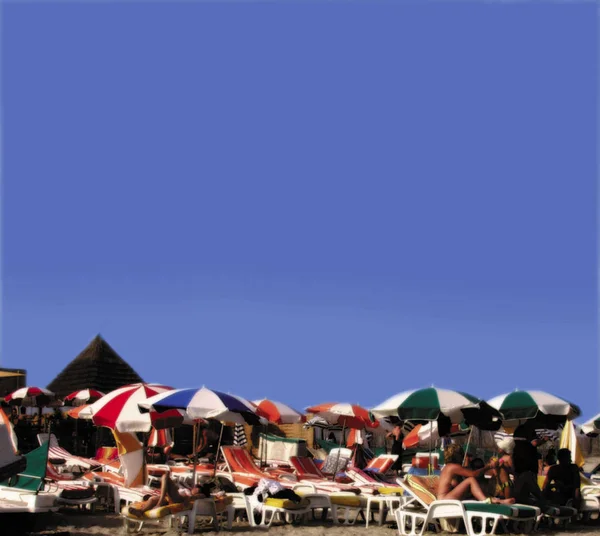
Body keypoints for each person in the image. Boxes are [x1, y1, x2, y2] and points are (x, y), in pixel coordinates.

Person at [437, 444, 514, 504]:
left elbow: (466, 474)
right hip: (444, 499)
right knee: (471, 480)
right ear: (458, 455)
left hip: (447, 498)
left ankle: (495, 501)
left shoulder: (449, 467)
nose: (463, 457)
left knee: (473, 492)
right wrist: (489, 466)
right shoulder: (453, 467)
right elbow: (474, 474)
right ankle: (486, 501)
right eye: (462, 455)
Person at [127, 473, 206, 517]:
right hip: (169, 498)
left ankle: (160, 502)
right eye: (195, 487)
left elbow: (201, 496)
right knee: (152, 499)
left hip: (179, 499)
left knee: (165, 476)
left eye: (197, 488)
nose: (195, 488)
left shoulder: (199, 495)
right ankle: (140, 511)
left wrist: (189, 498)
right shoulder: (187, 488)